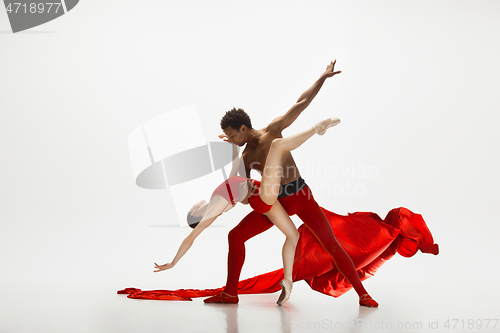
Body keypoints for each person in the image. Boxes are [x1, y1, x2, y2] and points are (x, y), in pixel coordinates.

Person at [202, 60, 379, 308]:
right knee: (236, 236)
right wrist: (244, 185)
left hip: (300, 195)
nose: (231, 139)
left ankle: (363, 293)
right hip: (275, 204)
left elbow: (301, 103)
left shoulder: (272, 131)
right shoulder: (245, 156)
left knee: (331, 244)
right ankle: (230, 294)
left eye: (232, 136)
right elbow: (237, 193)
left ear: (243, 128)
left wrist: (322, 77)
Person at [153, 117, 341, 305]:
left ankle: (288, 282)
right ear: (195, 213)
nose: (194, 204)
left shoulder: (216, 199)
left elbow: (236, 172)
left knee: (293, 235)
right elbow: (190, 238)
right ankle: (316, 128)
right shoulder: (212, 209)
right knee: (276, 147)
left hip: (261, 198)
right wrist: (173, 263)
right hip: (262, 195)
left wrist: (232, 147)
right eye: (192, 208)